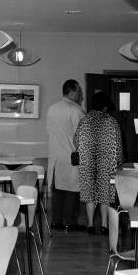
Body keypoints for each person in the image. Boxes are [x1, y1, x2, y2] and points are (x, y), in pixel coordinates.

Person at [74, 91, 123, 234]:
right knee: (105, 195)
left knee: (89, 195)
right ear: (105, 106)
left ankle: (89, 225)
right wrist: (118, 160)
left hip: (87, 162)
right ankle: (104, 226)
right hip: (106, 163)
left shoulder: (84, 120)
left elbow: (75, 141)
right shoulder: (111, 122)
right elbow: (118, 145)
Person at [46, 79, 84, 230]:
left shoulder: (52, 108)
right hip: (71, 155)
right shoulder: (76, 111)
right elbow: (82, 135)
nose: (80, 94)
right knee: (72, 190)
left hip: (55, 156)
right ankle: (70, 222)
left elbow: (49, 132)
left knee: (58, 190)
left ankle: (56, 221)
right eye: (78, 91)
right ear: (73, 91)